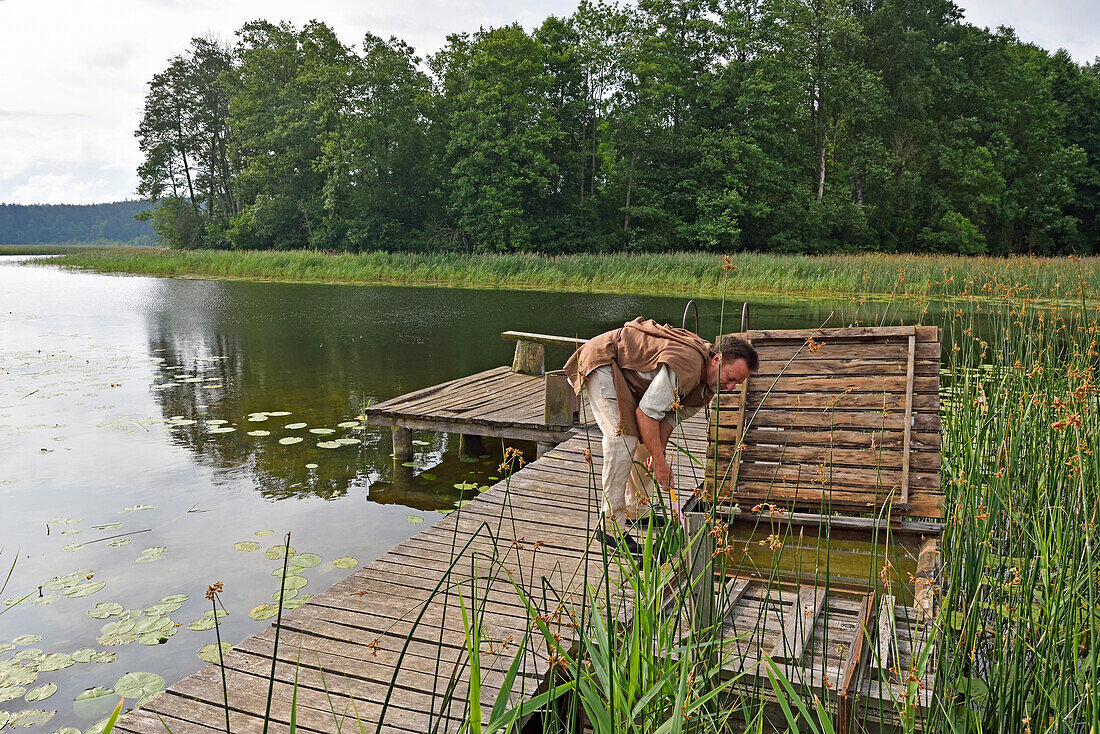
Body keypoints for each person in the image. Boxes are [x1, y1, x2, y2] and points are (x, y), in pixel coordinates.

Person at [563, 317, 758, 552]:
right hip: (605, 361)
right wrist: (661, 462)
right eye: (731, 378)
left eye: (737, 383)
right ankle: (609, 527)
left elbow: (666, 419)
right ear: (718, 359)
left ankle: (637, 509)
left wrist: (659, 456)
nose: (730, 388)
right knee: (622, 439)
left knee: (648, 443)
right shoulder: (688, 365)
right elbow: (646, 415)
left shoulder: (706, 388)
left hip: (633, 379)